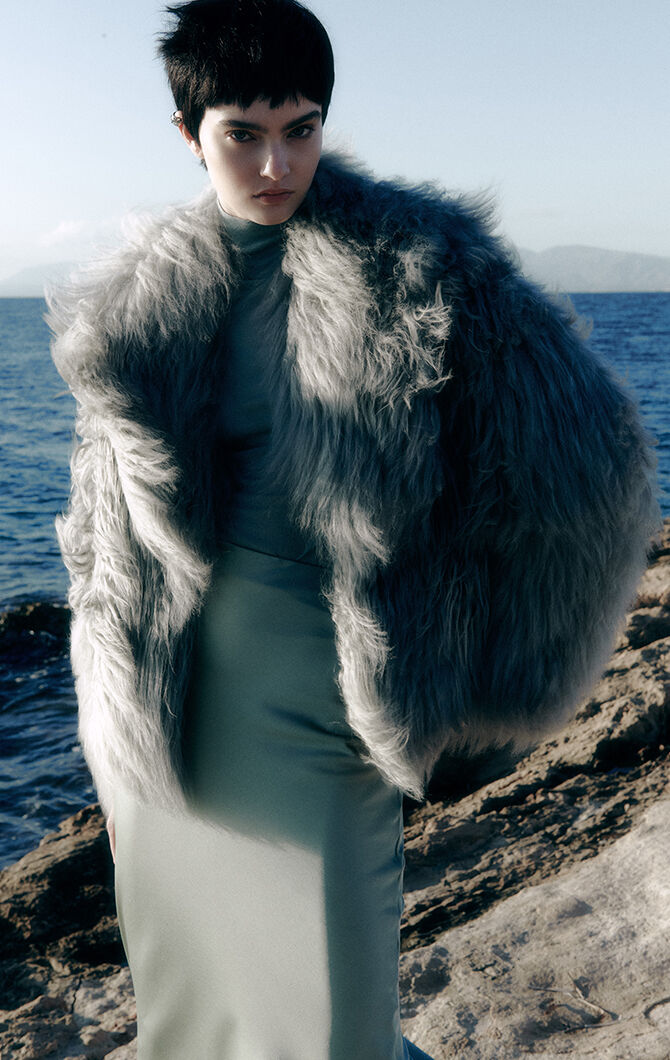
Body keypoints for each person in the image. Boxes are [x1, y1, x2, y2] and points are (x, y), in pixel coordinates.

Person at [48, 1, 657, 1057]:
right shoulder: (143, 298)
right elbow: (108, 513)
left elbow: (591, 458)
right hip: (168, 683)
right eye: (243, 133)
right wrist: (109, 666)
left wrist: (477, 648)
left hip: (334, 680)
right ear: (189, 134)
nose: (276, 163)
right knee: (193, 985)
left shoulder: (420, 261)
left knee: (333, 995)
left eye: (302, 128)